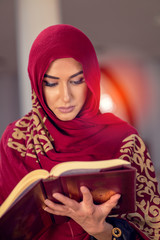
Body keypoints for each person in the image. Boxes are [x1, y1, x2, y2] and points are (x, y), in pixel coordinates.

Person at [0, 24, 159, 240]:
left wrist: (100, 230)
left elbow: (150, 231)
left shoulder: (125, 141)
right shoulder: (16, 140)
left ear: (92, 78)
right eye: (51, 83)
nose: (66, 96)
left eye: (76, 81)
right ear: (37, 83)